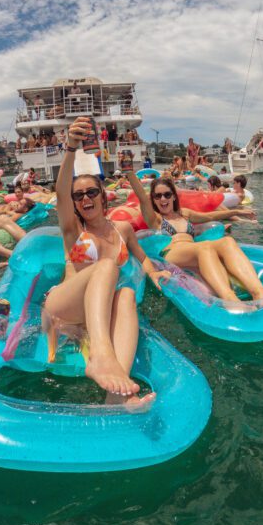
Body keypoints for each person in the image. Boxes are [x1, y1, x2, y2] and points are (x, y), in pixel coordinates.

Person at [43, 117, 170, 405]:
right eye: (79, 196)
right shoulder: (74, 232)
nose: (84, 198)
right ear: (74, 203)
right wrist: (71, 148)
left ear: (103, 196)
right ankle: (100, 356)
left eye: (91, 192)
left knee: (125, 294)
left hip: (97, 313)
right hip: (64, 308)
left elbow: (142, 259)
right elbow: (60, 192)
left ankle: (117, 395)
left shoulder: (122, 230)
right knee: (106, 266)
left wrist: (154, 275)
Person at [126, 171, 263, 304]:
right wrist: (130, 172)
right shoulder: (156, 219)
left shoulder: (185, 213)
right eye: (157, 196)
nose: (163, 199)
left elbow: (211, 215)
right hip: (172, 253)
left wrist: (238, 212)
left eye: (167, 194)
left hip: (193, 249)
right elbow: (143, 200)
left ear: (174, 196)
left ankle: (260, 294)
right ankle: (230, 300)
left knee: (227, 241)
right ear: (154, 200)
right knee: (204, 247)